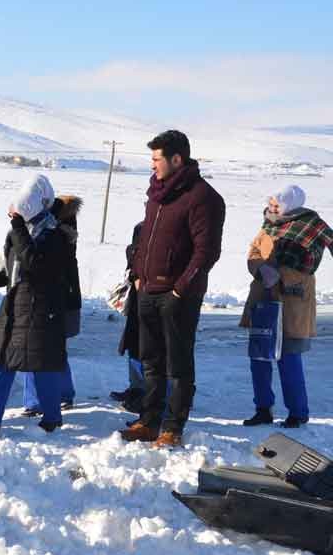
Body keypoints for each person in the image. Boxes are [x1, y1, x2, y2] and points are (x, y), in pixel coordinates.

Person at [121, 130, 225, 448]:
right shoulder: (157, 194)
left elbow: (206, 252)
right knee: (151, 361)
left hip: (178, 297)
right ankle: (149, 421)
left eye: (156, 159)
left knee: (177, 365)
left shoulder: (203, 197)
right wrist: (138, 276)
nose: (152, 166)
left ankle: (172, 427)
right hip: (148, 291)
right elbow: (145, 241)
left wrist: (180, 290)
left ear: (176, 159)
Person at [0, 175, 70, 437]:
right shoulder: (17, 233)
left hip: (40, 310)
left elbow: (34, 264)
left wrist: (18, 228)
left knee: (42, 363)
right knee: (3, 362)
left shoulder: (54, 234)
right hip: (15, 307)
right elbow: (7, 271)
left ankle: (52, 417)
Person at [239, 185, 332, 428]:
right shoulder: (268, 224)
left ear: (291, 203)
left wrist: (289, 275)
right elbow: (253, 253)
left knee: (288, 358)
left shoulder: (312, 224)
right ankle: (263, 409)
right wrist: (262, 268)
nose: (272, 208)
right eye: (270, 203)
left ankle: (297, 413)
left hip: (293, 298)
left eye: (277, 204)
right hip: (263, 295)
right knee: (259, 356)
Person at [22, 195, 82, 415]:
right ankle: (64, 394)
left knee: (36, 348)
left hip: (50, 300)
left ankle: (35, 400)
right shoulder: (66, 238)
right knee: (57, 350)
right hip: (65, 299)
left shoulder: (50, 237)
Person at [111, 221, 147, 413]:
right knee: (134, 344)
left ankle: (146, 393)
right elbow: (132, 256)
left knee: (147, 346)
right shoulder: (141, 227)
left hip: (151, 295)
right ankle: (137, 388)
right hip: (136, 296)